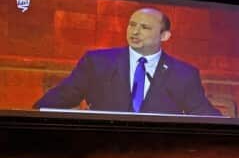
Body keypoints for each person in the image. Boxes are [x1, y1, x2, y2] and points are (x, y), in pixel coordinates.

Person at [33, 7, 222, 116]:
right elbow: (60, 98)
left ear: (164, 36)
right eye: (132, 25)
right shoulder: (97, 62)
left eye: (145, 27)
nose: (135, 32)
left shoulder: (184, 73)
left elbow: (201, 111)